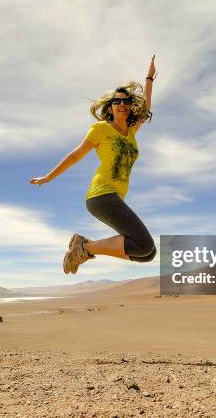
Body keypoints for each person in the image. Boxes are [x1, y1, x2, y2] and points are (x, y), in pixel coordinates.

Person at [29, 55, 158, 274]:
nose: (122, 104)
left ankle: (83, 248)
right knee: (144, 244)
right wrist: (48, 177)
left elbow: (145, 108)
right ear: (110, 108)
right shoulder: (100, 129)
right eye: (117, 101)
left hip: (114, 197)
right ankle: (84, 247)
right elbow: (75, 156)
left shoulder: (131, 132)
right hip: (101, 196)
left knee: (147, 253)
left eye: (126, 101)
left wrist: (149, 79)